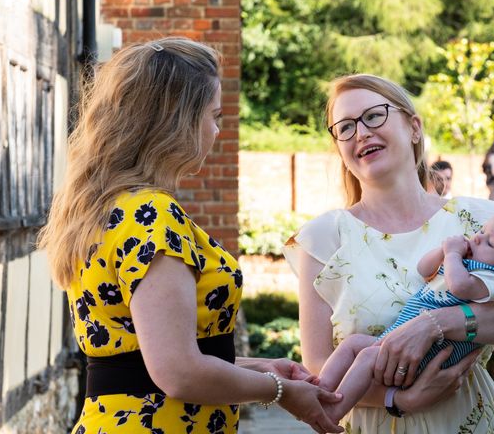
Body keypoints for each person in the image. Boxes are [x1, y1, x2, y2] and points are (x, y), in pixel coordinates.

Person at [37, 37, 343, 434]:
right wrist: (279, 391)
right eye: (214, 116)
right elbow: (179, 372)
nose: (217, 130)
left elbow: (146, 358)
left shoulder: (106, 207)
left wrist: (262, 368)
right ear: (177, 120)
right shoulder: (152, 215)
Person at [282, 73, 494, 432]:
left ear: (414, 128)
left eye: (374, 115)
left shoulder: (485, 222)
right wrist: (398, 400)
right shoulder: (322, 238)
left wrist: (436, 325)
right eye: (345, 127)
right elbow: (319, 363)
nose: (361, 132)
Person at [314, 210, 494, 424]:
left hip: (429, 356)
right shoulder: (472, 261)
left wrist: (452, 255)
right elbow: (423, 269)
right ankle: (319, 390)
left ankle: (334, 412)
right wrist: (443, 251)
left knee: (366, 355)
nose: (478, 238)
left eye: (490, 243)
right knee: (353, 343)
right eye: (481, 231)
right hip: (401, 340)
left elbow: (460, 287)